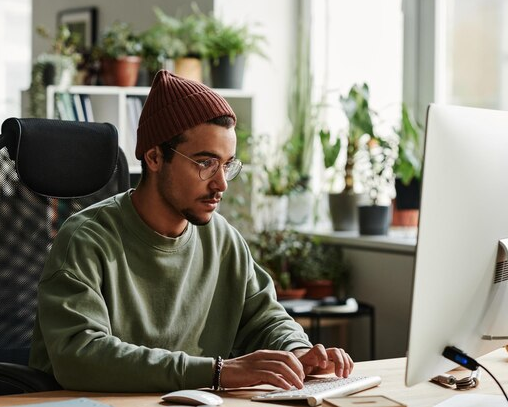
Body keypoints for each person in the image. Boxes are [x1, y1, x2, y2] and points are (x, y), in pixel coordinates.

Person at [29, 70, 353, 392]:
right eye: (206, 163)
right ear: (155, 157)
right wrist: (216, 373)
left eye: (227, 165)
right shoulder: (85, 240)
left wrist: (297, 351)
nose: (221, 183)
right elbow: (80, 356)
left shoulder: (222, 239)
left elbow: (264, 317)